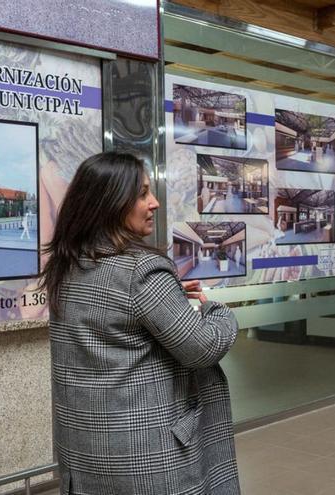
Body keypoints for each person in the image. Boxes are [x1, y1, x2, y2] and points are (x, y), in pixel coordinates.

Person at [42, 152, 240, 495]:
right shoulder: (141, 270)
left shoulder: (67, 264)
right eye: (143, 193)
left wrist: (168, 293)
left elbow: (113, 313)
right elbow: (203, 348)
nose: (155, 203)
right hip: (148, 455)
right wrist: (218, 313)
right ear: (110, 202)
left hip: (86, 453)